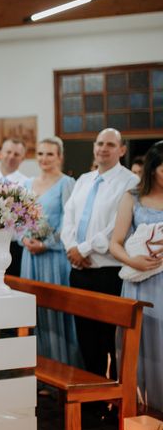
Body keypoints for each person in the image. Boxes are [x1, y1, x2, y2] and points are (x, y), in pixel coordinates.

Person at [61, 128, 139, 381]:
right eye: (99, 143)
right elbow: (68, 217)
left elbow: (118, 225)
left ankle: (115, 395)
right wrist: (71, 247)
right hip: (79, 271)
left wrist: (82, 249)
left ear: (122, 150)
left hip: (108, 271)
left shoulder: (130, 181)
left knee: (110, 338)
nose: (103, 148)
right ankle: (90, 392)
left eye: (110, 144)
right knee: (86, 336)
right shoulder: (84, 179)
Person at [110, 141, 163, 412]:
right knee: (142, 345)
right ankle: (143, 410)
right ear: (153, 169)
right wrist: (134, 261)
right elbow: (115, 243)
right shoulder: (133, 196)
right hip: (140, 282)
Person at [19, 138, 80, 366]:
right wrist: (24, 238)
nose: (44, 159)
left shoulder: (67, 184)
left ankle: (61, 367)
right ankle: (36, 370)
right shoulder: (27, 185)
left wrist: (46, 244)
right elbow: (18, 217)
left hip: (53, 256)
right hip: (30, 256)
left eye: (50, 154)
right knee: (31, 312)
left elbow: (69, 221)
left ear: (60, 157)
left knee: (54, 313)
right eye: (41, 154)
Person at [0, 138, 28, 277]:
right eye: (8, 152)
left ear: (22, 158)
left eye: (17, 154)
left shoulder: (27, 184)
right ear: (0, 154)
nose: (11, 156)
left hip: (14, 247)